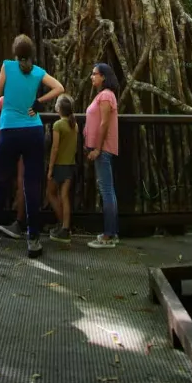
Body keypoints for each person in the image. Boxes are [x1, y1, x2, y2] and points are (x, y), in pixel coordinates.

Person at [0, 35, 64, 259]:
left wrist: (9, 95)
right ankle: (33, 240)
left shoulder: (8, 66)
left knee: (1, 184)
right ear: (31, 53)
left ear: (15, 52)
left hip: (10, 132)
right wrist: (38, 102)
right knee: (32, 186)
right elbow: (59, 88)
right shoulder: (38, 72)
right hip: (33, 132)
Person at [85, 62, 120, 248]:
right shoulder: (103, 95)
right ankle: (112, 233)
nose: (92, 76)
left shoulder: (106, 95)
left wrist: (97, 149)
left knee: (106, 191)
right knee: (108, 190)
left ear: (103, 76)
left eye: (94, 74)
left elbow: (104, 123)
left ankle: (108, 236)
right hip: (103, 148)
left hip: (103, 149)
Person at [0, 95, 26, 239]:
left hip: (7, 141)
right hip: (25, 141)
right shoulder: (27, 97)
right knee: (22, 181)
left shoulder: (3, 100)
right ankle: (19, 222)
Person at [47, 94, 78, 243]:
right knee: (64, 196)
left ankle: (62, 224)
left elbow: (55, 148)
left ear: (59, 108)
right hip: (70, 165)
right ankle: (65, 228)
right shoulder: (74, 124)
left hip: (59, 165)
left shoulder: (58, 125)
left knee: (51, 193)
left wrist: (50, 168)